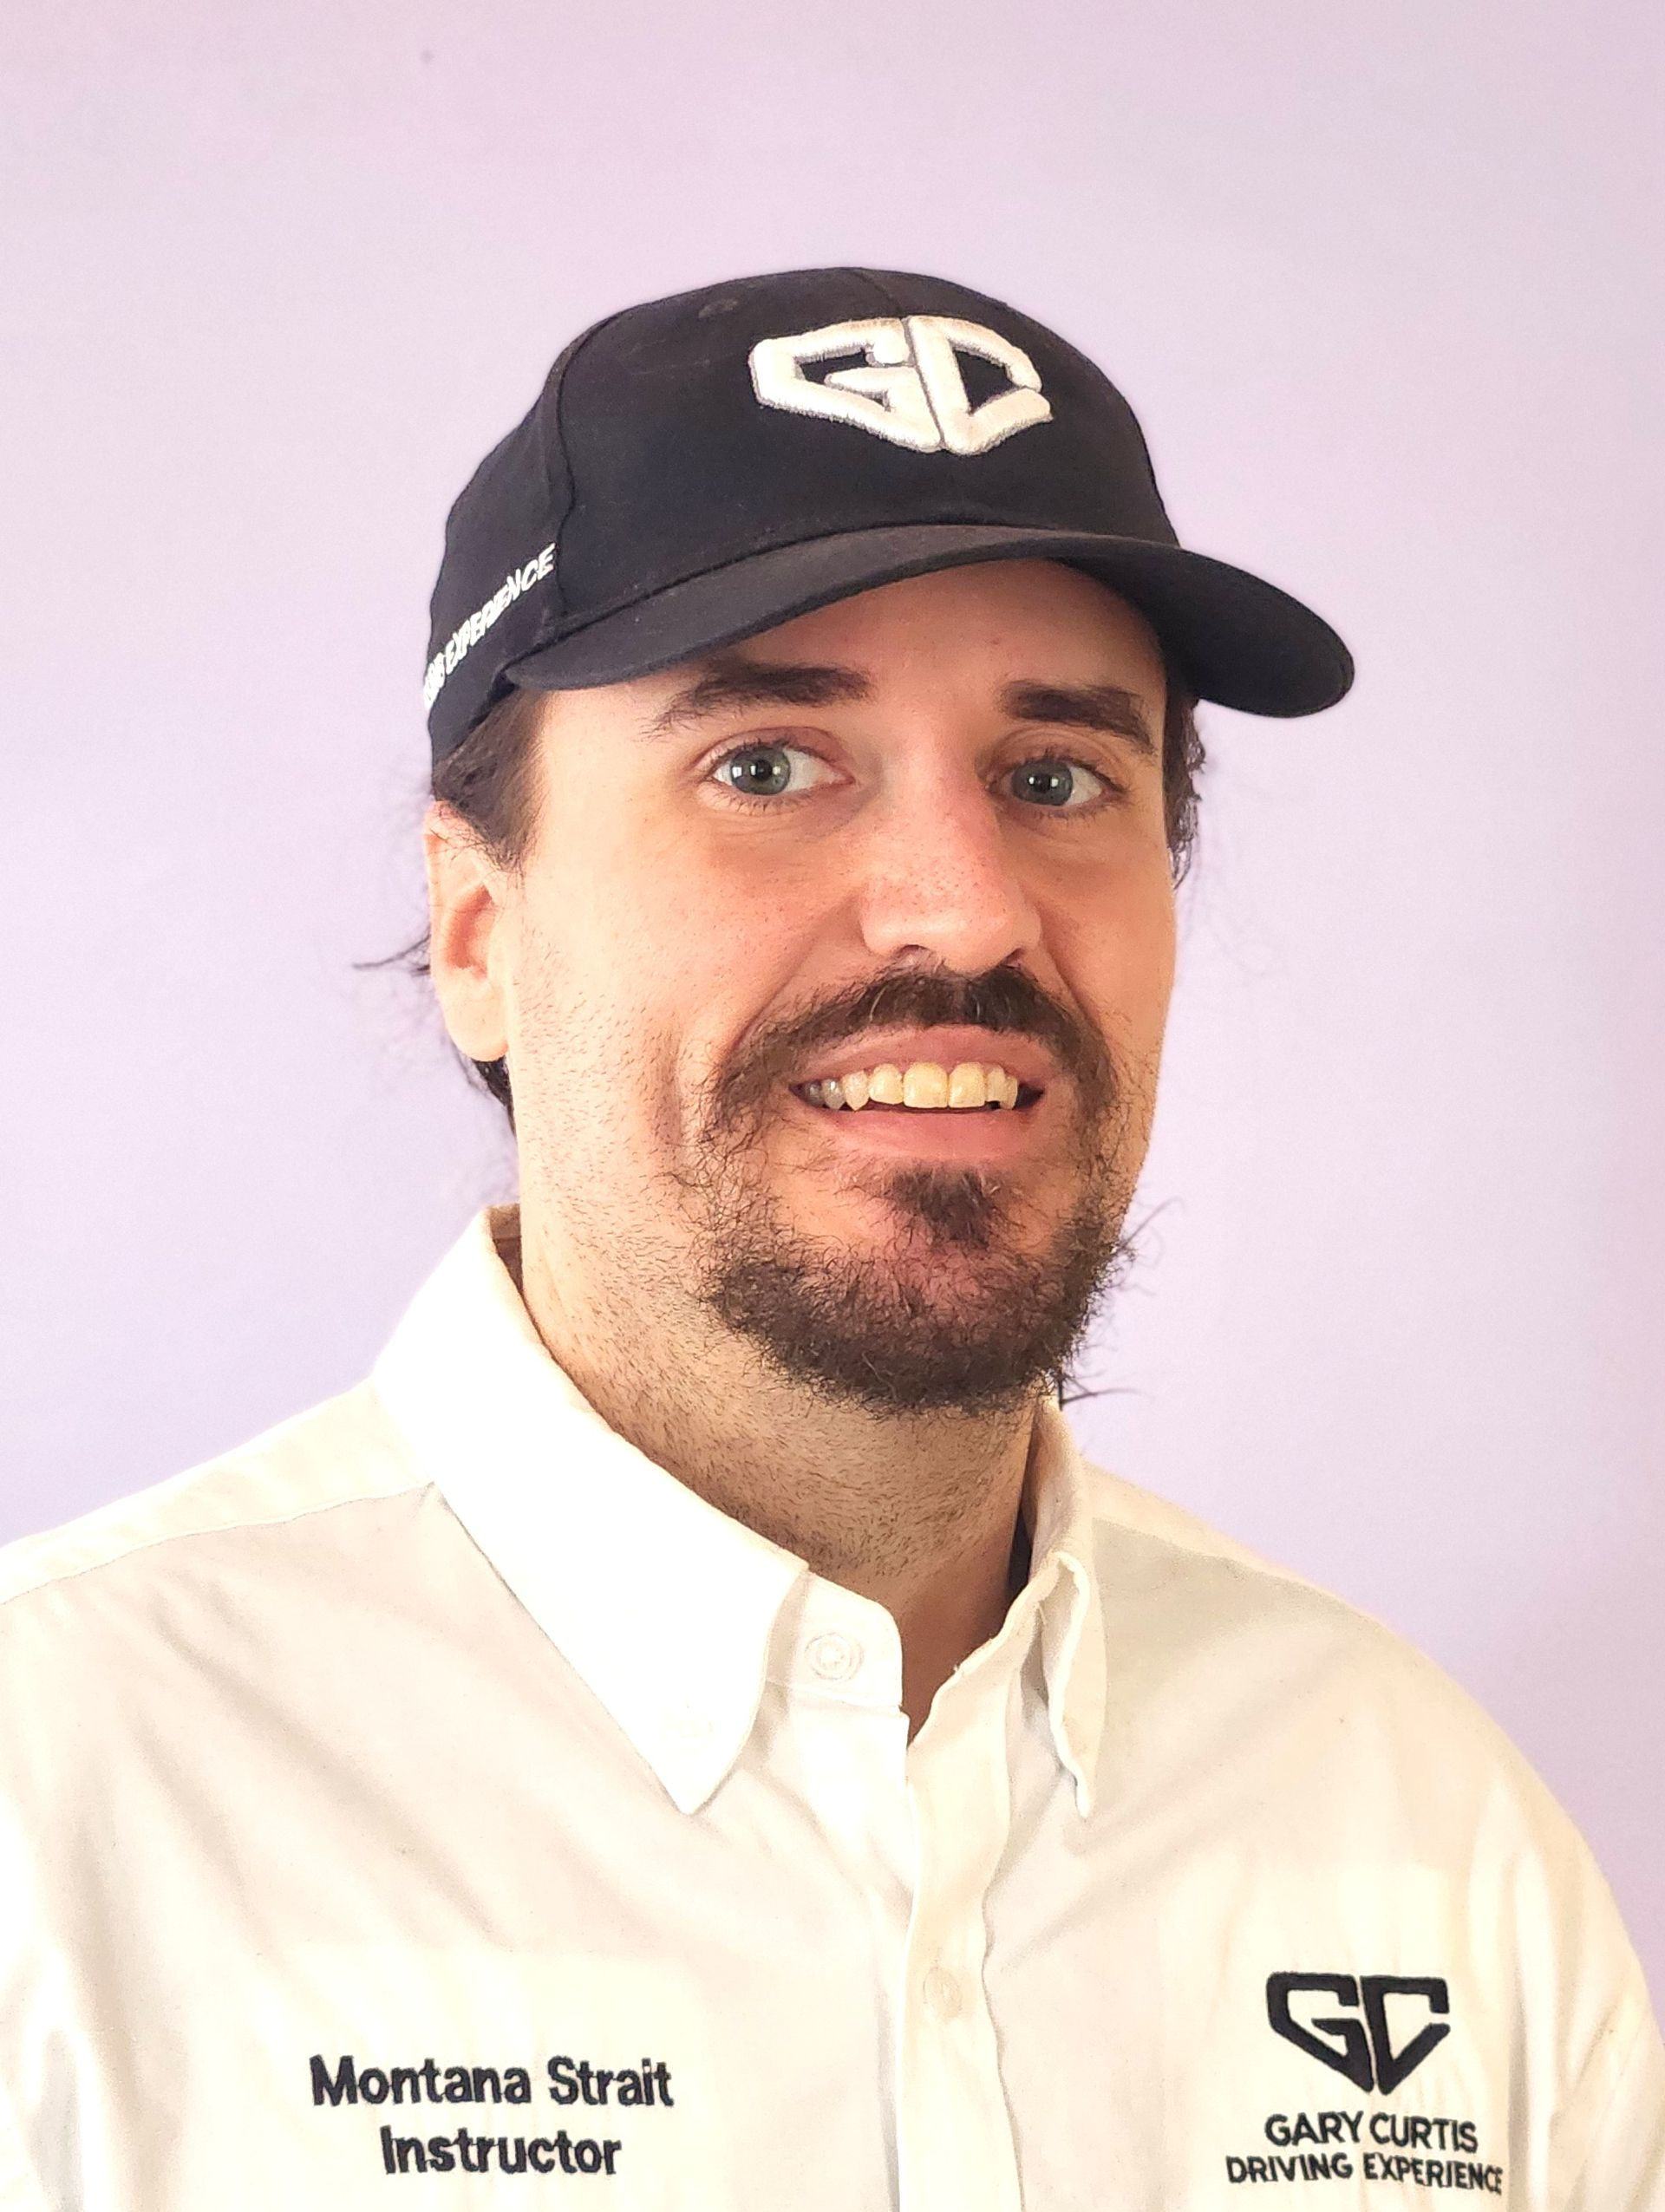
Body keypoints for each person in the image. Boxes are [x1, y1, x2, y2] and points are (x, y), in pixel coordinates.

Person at [1, 267, 1658, 2209]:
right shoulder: (64, 1812)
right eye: (767, 767)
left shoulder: (1422, 1832)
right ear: (478, 936)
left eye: (1058, 781)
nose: (961, 913)